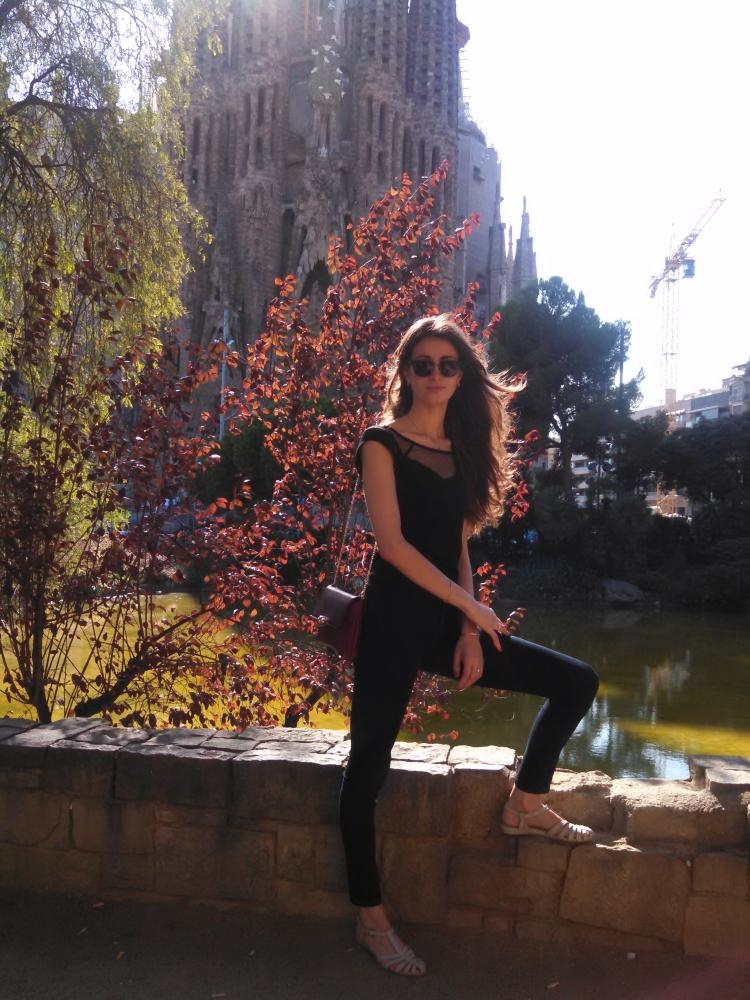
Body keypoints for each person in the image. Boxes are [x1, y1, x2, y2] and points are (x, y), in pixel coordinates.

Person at [339, 314, 599, 976]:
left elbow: (457, 547)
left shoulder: (460, 450)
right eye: (422, 364)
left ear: (462, 375)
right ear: (405, 372)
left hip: (445, 619)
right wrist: (473, 608)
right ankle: (371, 919)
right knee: (366, 769)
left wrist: (468, 631)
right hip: (391, 624)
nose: (434, 375)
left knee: (576, 682)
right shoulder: (381, 443)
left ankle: (525, 804)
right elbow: (393, 548)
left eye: (447, 365)